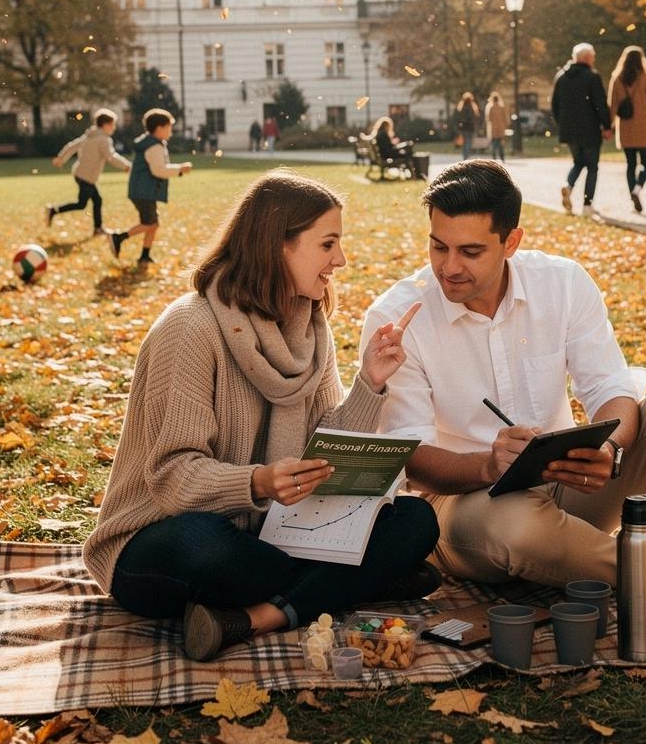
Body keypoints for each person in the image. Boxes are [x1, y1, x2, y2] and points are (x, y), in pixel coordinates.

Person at [361, 160, 646, 632]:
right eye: (438, 246)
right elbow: (410, 458)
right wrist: (487, 465)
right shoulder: (397, 318)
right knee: (519, 526)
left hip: (566, 482)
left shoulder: (562, 282)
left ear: (511, 242)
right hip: (461, 508)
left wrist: (610, 450)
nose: (449, 267)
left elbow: (612, 389)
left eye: (470, 251)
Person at [83, 171, 439, 661]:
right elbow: (172, 478)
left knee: (416, 520)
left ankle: (257, 617)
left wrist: (370, 383)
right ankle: (355, 582)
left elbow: (324, 454)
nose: (341, 260)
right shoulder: (190, 328)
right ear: (278, 246)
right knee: (203, 545)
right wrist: (260, 482)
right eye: (328, 244)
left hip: (271, 534)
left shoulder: (310, 328)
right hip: (160, 540)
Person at [107, 109, 192, 265]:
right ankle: (118, 237)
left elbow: (159, 167)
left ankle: (145, 256)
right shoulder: (154, 147)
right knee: (150, 224)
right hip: (143, 191)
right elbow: (158, 170)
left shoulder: (154, 144)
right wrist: (180, 169)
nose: (171, 132)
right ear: (159, 128)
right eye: (169, 127)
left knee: (153, 224)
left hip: (144, 191)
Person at [551, 43, 612, 217]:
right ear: (586, 58)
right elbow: (600, 104)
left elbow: (554, 105)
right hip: (590, 130)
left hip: (569, 131)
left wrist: (562, 124)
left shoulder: (561, 77)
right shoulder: (592, 77)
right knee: (592, 167)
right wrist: (606, 126)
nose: (594, 60)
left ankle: (568, 186)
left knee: (578, 162)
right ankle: (587, 205)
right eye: (593, 57)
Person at [47, 109, 131, 236]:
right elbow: (111, 157)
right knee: (82, 204)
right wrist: (127, 166)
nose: (114, 128)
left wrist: (61, 158)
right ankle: (53, 210)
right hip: (86, 176)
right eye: (113, 124)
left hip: (80, 174)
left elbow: (71, 146)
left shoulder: (88, 136)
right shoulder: (103, 139)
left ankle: (98, 228)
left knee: (97, 200)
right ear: (106, 124)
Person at [607, 46, 646, 214]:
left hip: (626, 128)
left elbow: (612, 106)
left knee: (630, 165)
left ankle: (632, 193)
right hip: (644, 128)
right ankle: (637, 189)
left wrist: (608, 126)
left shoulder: (617, 79)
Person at [454, 91, 480, 161]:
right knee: (469, 142)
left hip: (463, 128)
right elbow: (475, 118)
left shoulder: (461, 108)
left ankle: (465, 157)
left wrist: (458, 127)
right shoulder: (473, 108)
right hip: (470, 128)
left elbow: (458, 118)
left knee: (465, 143)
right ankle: (467, 156)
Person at [484, 92, 508, 164]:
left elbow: (488, 119)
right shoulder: (502, 107)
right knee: (501, 144)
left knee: (494, 144)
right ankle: (502, 158)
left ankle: (494, 158)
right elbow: (505, 118)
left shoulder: (490, 107)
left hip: (493, 129)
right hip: (501, 128)